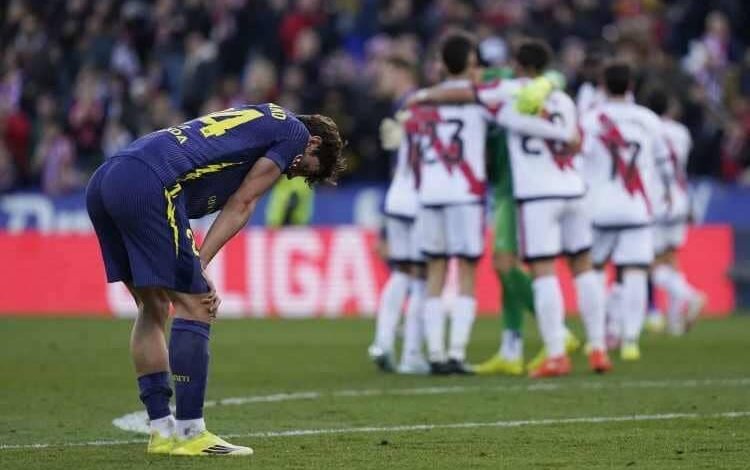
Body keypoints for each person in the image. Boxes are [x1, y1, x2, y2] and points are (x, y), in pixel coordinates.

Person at [86, 103, 344, 456]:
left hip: (108, 177)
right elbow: (243, 202)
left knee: (153, 305)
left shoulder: (263, 118)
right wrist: (199, 266)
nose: (290, 172)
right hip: (150, 182)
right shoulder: (294, 134)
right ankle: (191, 432)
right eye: (303, 167)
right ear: (313, 142)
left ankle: (162, 431)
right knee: (198, 304)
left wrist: (195, 266)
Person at [409, 39, 609, 378]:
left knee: (541, 270)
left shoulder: (508, 92)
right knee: (583, 267)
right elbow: (575, 139)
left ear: (517, 65)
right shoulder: (562, 97)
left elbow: (467, 95)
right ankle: (598, 347)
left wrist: (424, 96)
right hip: (573, 188)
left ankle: (556, 349)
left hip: (535, 194)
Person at [406, 32, 495, 375]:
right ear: (472, 63)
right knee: (467, 271)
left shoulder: (421, 102)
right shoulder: (481, 100)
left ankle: (436, 353)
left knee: (436, 272)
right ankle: (456, 353)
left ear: (442, 64)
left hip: (431, 192)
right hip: (465, 195)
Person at [579, 62, 669, 361]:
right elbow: (664, 163)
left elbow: (578, 160)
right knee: (634, 272)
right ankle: (630, 341)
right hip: (637, 207)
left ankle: (597, 339)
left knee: (592, 270)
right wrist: (667, 192)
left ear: (602, 86)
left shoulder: (590, 119)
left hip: (599, 207)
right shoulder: (648, 119)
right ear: (631, 86)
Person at [368, 57, 430, 375]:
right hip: (421, 198)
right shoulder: (425, 106)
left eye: (388, 72)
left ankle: (382, 342)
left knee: (401, 272)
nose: (383, 79)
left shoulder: (402, 107)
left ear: (404, 72)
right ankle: (412, 354)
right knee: (422, 276)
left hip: (397, 197)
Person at [644, 88, 706, 335]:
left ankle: (690, 295)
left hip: (657, 200)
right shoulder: (682, 132)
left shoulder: (647, 128)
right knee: (671, 259)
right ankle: (674, 323)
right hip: (679, 198)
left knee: (646, 263)